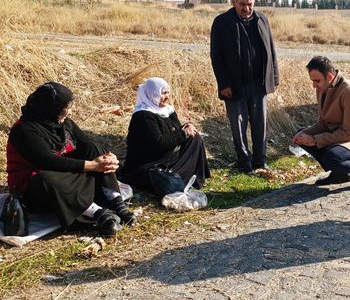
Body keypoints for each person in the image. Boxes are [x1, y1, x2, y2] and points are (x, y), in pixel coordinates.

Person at [6, 82, 135, 237]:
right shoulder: (24, 130)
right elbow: (47, 161)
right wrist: (94, 166)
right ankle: (95, 212)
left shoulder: (64, 123)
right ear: (51, 108)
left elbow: (87, 144)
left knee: (93, 149)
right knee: (46, 179)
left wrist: (109, 158)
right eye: (66, 107)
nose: (70, 111)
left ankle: (115, 202)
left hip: (66, 178)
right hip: (36, 188)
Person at [210, 0, 279, 173]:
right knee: (238, 126)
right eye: (242, 4)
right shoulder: (222, 22)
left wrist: (274, 77)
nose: (246, 8)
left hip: (259, 84)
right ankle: (244, 162)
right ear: (234, 2)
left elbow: (271, 50)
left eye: (249, 4)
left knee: (260, 124)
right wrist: (223, 83)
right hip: (234, 85)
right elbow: (216, 56)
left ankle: (260, 160)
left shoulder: (262, 20)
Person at [292, 56, 350, 191]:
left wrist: (315, 140)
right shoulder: (323, 89)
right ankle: (339, 174)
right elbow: (324, 123)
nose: (314, 85)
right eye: (312, 81)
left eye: (317, 81)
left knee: (332, 156)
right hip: (343, 135)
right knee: (301, 135)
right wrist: (305, 134)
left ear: (329, 77)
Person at [118, 77, 210, 193]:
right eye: (163, 93)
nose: (167, 97)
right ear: (152, 93)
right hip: (149, 164)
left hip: (168, 158)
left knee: (195, 138)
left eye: (168, 93)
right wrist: (184, 133)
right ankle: (176, 178)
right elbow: (160, 143)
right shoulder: (144, 116)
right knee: (162, 179)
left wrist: (187, 127)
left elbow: (175, 131)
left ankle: (194, 177)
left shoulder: (168, 111)